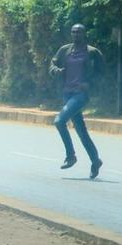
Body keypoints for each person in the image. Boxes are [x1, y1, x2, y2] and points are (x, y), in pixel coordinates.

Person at [49, 24, 104, 179]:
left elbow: (102, 72)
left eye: (79, 32)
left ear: (84, 34)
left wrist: (89, 83)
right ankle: (95, 160)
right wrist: (56, 71)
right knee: (81, 131)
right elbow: (52, 64)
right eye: (73, 32)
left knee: (59, 121)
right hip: (67, 93)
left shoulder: (92, 52)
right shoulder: (65, 50)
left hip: (81, 94)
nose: (76, 34)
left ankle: (70, 156)